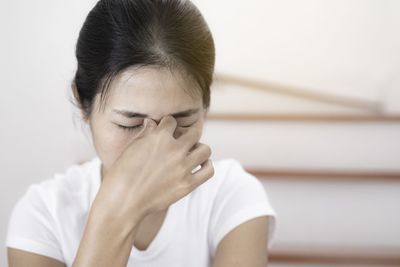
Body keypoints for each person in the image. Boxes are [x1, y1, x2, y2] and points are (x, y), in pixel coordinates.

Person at [6, 0, 277, 266]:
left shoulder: (232, 194)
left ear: (205, 107)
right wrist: (119, 211)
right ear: (83, 103)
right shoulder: (42, 214)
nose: (156, 146)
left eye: (183, 120)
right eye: (131, 124)